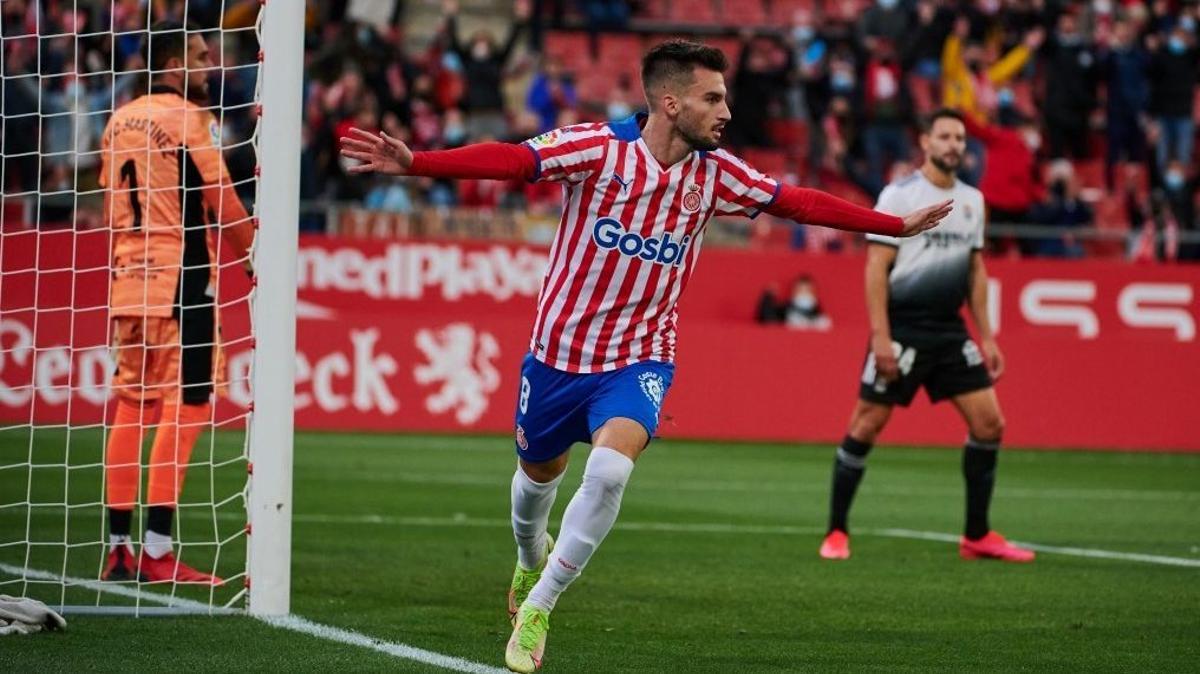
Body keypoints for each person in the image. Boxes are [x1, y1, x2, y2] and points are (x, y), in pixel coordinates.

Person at [340, 40, 951, 673]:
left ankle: (541, 605)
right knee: (533, 488)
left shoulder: (718, 173)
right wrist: (419, 163)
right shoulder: (596, 149)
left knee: (607, 473)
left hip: (640, 358)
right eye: (712, 98)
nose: (726, 112)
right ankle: (528, 563)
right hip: (557, 355)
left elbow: (795, 201)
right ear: (670, 101)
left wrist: (892, 225)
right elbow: (514, 162)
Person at [818, 108, 1034, 564]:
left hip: (950, 330)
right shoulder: (899, 196)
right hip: (903, 326)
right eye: (945, 136)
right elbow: (876, 267)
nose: (955, 144)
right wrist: (880, 336)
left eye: (960, 138)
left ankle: (977, 535)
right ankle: (836, 531)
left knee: (990, 424)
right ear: (926, 142)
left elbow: (976, 270)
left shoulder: (973, 201)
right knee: (866, 425)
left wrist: (988, 337)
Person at [98, 21, 254, 585]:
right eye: (200, 55)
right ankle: (158, 553)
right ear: (171, 65)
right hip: (180, 284)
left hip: (126, 284)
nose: (210, 64)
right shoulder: (190, 120)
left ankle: (118, 549)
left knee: (131, 404)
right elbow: (222, 201)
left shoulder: (118, 121)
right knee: (185, 409)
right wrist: (255, 253)